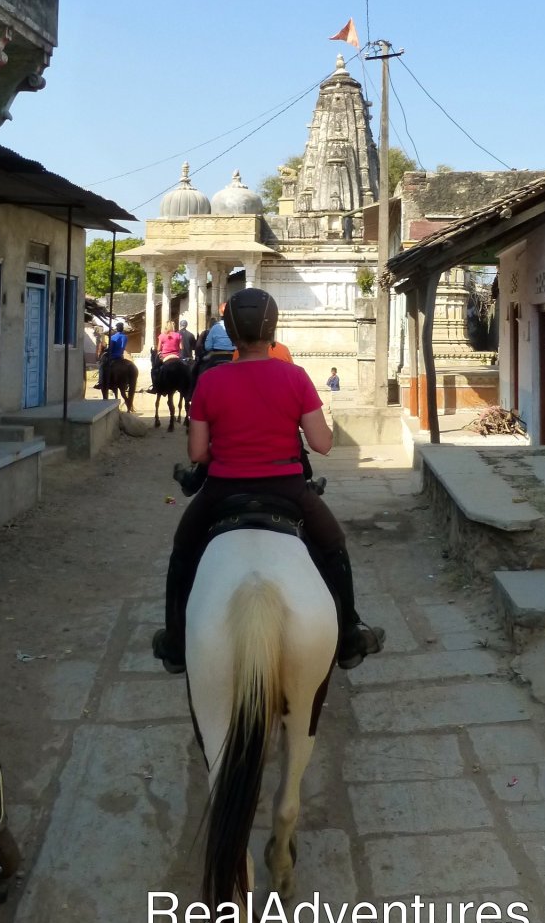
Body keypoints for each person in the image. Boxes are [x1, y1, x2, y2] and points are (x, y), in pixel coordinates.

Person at [151, 287, 384, 675]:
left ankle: (176, 643)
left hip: (222, 489)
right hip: (288, 488)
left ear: (230, 331)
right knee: (334, 547)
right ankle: (348, 638)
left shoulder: (210, 381)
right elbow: (322, 444)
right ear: (272, 329)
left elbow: (196, 454)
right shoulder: (295, 376)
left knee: (182, 552)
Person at [148, 320, 182, 392]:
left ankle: (155, 387)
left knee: (154, 370)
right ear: (173, 327)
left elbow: (159, 348)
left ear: (166, 327)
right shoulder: (178, 335)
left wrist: (161, 351)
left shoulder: (162, 335)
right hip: (176, 356)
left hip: (165, 356)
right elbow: (181, 347)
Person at [97, 321, 128, 390]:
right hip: (120, 356)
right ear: (122, 329)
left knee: (101, 365)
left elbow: (110, 348)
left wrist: (105, 350)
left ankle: (100, 382)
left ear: (117, 329)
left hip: (113, 356)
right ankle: (126, 383)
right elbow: (122, 347)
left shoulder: (113, 337)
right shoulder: (125, 337)